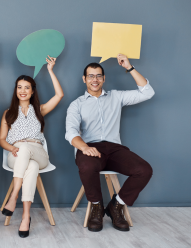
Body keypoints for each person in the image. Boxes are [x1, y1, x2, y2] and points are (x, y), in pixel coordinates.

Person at [65, 54, 154, 232]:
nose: (95, 79)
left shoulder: (116, 97)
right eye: (90, 76)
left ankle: (116, 206)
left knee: (144, 170)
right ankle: (97, 207)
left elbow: (148, 92)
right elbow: (71, 133)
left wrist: (129, 67)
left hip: (114, 148)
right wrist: (85, 148)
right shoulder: (77, 104)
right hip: (90, 146)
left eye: (98, 76)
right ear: (84, 79)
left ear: (104, 78)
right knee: (87, 166)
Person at [0, 56, 63, 238]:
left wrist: (50, 70)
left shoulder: (40, 110)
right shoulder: (8, 113)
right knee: (31, 166)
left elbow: (59, 95)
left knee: (27, 150)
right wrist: (11, 148)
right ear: (15, 90)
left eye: (27, 87)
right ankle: (26, 217)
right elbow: (2, 140)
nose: (23, 90)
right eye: (19, 87)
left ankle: (13, 196)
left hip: (38, 152)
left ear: (33, 91)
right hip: (16, 154)